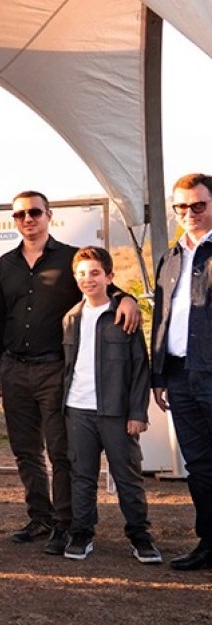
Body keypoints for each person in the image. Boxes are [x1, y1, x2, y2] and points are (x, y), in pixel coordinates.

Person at [0, 190, 138, 555]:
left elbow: (102, 288)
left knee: (61, 452)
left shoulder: (71, 258)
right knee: (25, 451)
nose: (28, 219)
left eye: (35, 212)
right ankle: (39, 517)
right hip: (13, 369)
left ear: (48, 215)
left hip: (54, 370)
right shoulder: (5, 264)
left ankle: (64, 523)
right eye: (20, 214)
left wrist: (128, 298)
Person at [61, 246, 158, 562]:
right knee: (82, 476)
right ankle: (82, 533)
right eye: (82, 274)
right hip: (78, 410)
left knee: (128, 477)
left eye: (94, 273)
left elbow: (140, 367)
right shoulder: (70, 318)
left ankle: (140, 537)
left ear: (109, 277)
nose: (88, 280)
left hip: (116, 412)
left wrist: (137, 412)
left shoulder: (122, 315)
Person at [151, 173, 212, 571]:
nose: (188, 213)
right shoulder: (171, 257)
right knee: (200, 468)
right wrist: (158, 377)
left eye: (198, 205)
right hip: (179, 376)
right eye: (181, 207)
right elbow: (161, 316)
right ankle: (209, 542)